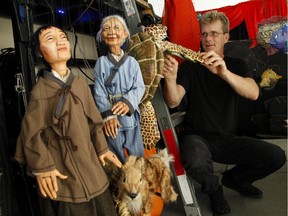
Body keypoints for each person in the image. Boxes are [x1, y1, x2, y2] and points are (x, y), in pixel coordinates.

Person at [163, 10, 286, 215]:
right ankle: (214, 190)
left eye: (214, 33)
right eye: (204, 34)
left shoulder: (236, 65)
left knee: (276, 156)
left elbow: (254, 93)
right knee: (195, 158)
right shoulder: (190, 68)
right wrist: (169, 78)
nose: (208, 39)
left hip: (228, 139)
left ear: (226, 37)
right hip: (198, 137)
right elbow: (173, 100)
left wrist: (224, 73)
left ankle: (236, 179)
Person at [14, 24, 122, 216]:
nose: (60, 41)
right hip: (63, 179)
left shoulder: (79, 83)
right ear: (39, 52)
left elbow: (94, 122)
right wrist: (42, 167)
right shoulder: (40, 92)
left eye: (63, 37)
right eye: (50, 39)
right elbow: (29, 134)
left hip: (91, 170)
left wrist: (102, 149)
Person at [94, 15, 145, 163]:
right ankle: (120, 183)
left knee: (137, 156)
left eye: (117, 28)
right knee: (116, 157)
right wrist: (109, 116)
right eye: (106, 28)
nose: (111, 31)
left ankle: (140, 182)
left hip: (129, 116)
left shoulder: (132, 62)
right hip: (111, 119)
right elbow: (99, 91)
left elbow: (139, 87)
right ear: (102, 36)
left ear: (124, 34)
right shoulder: (101, 63)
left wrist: (127, 102)